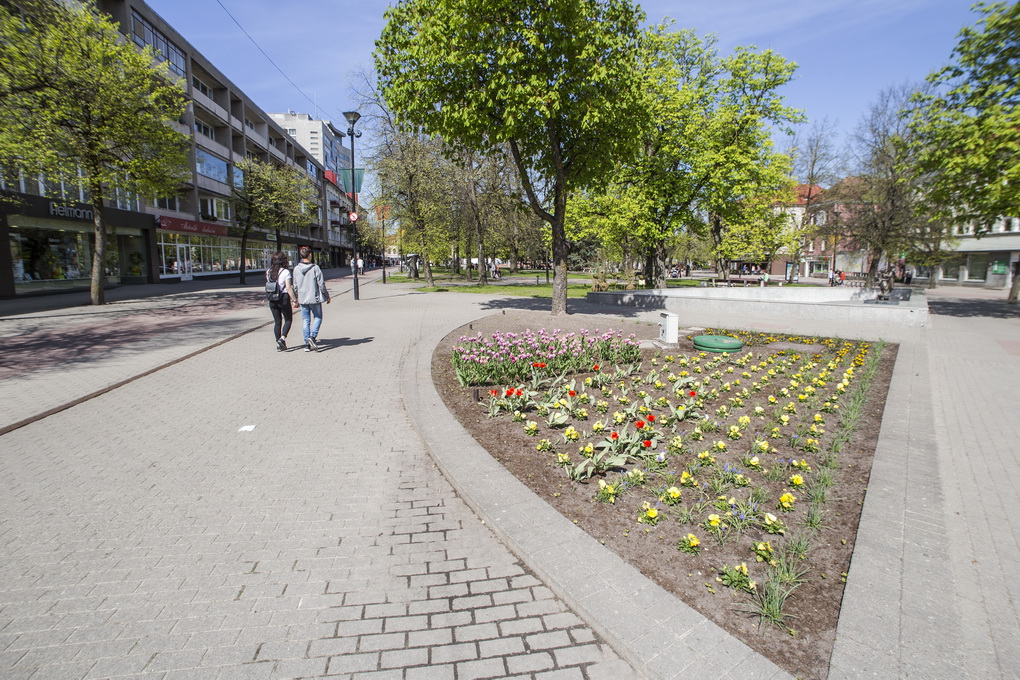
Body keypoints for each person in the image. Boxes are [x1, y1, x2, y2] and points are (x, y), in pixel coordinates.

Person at [292, 246, 331, 352]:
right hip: (314, 298)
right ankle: (312, 337)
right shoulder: (315, 268)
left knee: (305, 320)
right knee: (318, 317)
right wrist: (326, 295)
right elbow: (321, 284)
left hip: (302, 299)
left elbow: (294, 286)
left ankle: (306, 345)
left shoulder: (296, 269)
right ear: (310, 255)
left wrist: (295, 299)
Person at [266, 251, 298, 352]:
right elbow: (288, 288)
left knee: (277, 321)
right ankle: (282, 338)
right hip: (283, 298)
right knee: (288, 319)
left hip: (272, 299)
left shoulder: (268, 272)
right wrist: (295, 300)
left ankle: (278, 342)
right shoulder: (285, 272)